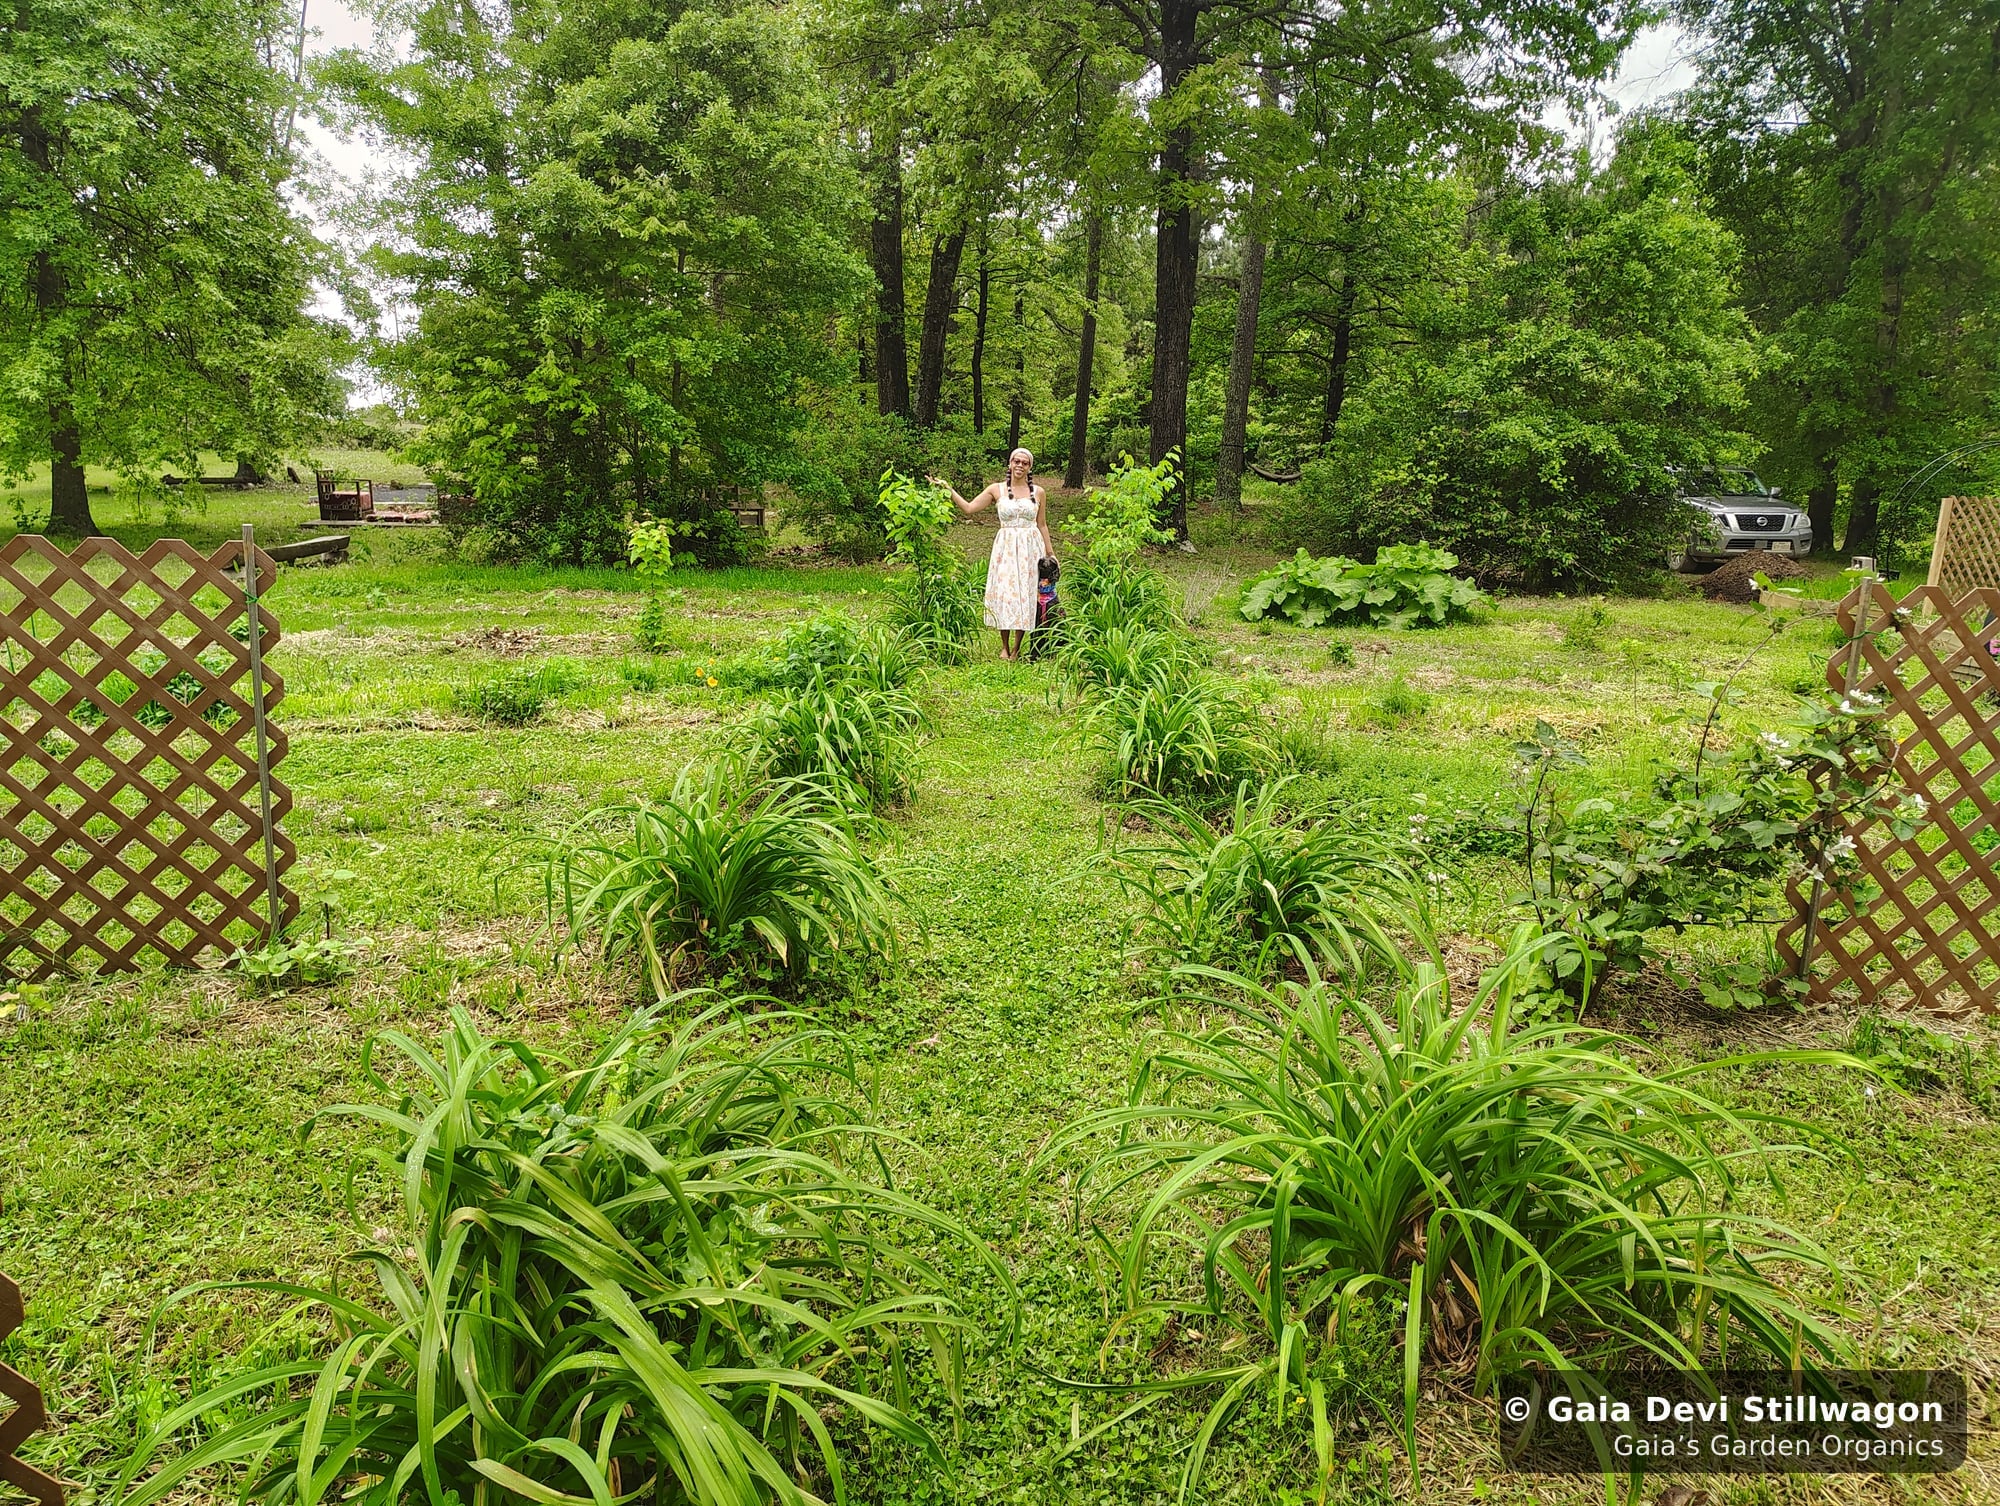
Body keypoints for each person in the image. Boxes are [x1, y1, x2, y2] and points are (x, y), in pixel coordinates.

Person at [931, 448, 1054, 661]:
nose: (1020, 465)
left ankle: (1017, 648)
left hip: (1030, 546)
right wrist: (948, 489)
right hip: (1006, 547)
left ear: (1029, 467)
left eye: (1025, 463)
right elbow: (969, 508)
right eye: (1016, 461)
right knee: (1007, 592)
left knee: (1025, 593)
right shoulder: (996, 490)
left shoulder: (1038, 492)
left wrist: (1050, 553)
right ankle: (1004, 646)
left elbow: (1042, 525)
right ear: (1009, 463)